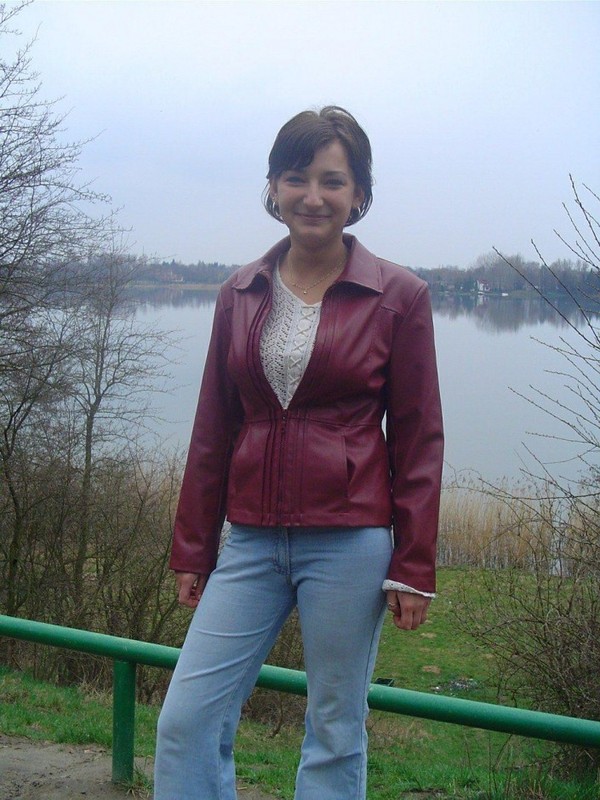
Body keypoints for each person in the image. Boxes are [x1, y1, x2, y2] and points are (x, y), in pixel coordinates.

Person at [154, 106, 444, 800]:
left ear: (359, 195)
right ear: (274, 188)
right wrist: (194, 547)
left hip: (350, 543)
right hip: (251, 541)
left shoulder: (399, 296)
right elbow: (212, 427)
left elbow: (418, 438)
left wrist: (413, 566)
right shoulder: (239, 292)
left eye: (332, 181)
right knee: (186, 720)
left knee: (335, 729)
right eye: (296, 178)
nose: (313, 196)